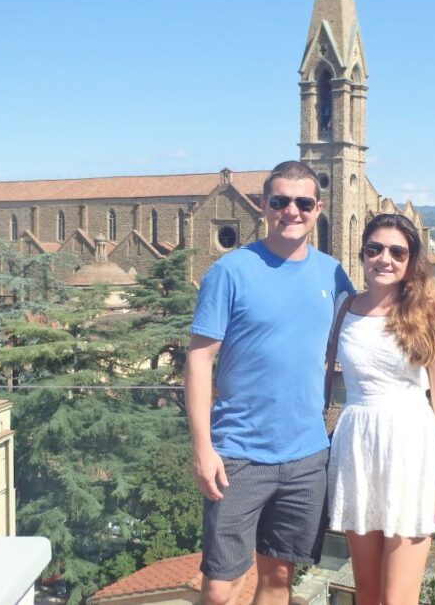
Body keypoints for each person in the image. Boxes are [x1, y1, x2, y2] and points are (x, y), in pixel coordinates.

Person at [186, 160, 353, 605]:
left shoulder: (333, 274)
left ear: (317, 208)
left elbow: (378, 314)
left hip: (307, 456)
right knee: (221, 589)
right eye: (280, 202)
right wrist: (203, 449)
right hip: (238, 453)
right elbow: (199, 361)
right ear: (263, 206)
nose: (291, 211)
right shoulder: (230, 271)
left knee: (278, 579)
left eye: (302, 202)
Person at [327, 213, 435, 605]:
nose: (384, 258)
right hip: (357, 449)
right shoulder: (341, 308)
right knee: (367, 594)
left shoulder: (429, 315)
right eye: (375, 248)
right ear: (362, 254)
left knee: (398, 599)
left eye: (396, 252)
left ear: (410, 261)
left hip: (411, 450)